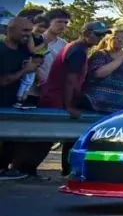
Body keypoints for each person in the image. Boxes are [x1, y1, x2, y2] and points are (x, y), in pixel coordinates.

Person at [38, 22, 111, 176]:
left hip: (57, 97)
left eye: (103, 35)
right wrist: (69, 105)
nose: (100, 38)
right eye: (98, 34)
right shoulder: (78, 50)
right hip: (57, 98)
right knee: (44, 140)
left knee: (52, 139)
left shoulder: (77, 47)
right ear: (87, 33)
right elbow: (70, 81)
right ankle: (25, 168)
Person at [0, 17, 41, 180]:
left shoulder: (24, 50)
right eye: (24, 30)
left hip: (13, 102)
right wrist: (25, 70)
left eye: (30, 31)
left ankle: (4, 168)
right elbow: (3, 81)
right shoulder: (2, 50)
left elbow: (37, 55)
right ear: (10, 30)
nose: (28, 34)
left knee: (11, 139)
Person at [81, 27, 123, 113]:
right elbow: (98, 73)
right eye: (116, 37)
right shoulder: (100, 54)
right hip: (93, 103)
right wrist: (121, 59)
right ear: (108, 39)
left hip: (116, 106)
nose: (120, 40)